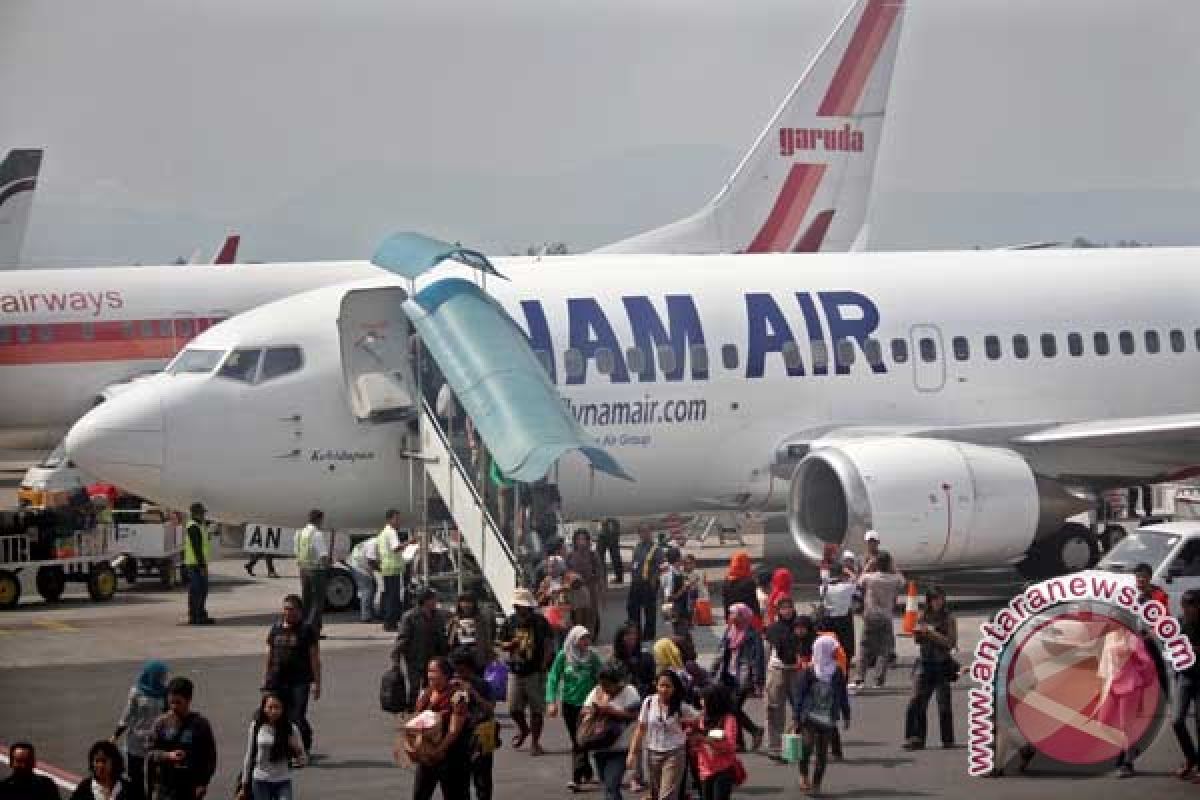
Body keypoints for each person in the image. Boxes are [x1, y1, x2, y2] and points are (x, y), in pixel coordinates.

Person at [1095, 625, 1158, 777]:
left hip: (1129, 685)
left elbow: (1147, 662)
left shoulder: (1133, 638)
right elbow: (1104, 662)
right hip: (1112, 685)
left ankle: (1127, 763)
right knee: (1102, 723)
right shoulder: (1109, 637)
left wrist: (1141, 677)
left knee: (1125, 726)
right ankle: (1128, 748)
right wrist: (1101, 685)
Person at [404, 658, 472, 800]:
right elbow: (417, 718)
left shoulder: (459, 695)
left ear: (445, 674)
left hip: (452, 756)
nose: (429, 675)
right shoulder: (426, 693)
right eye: (428, 670)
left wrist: (439, 750)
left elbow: (454, 730)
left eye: (434, 671)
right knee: (420, 794)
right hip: (428, 755)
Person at [792, 636, 851, 795]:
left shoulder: (837, 670)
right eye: (832, 649)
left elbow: (842, 694)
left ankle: (817, 784)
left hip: (828, 717)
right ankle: (804, 776)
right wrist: (796, 717)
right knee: (807, 747)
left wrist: (846, 714)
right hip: (809, 716)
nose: (834, 652)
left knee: (822, 753)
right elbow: (800, 695)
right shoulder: (809, 671)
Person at [547, 625, 604, 790]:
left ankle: (576, 778)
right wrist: (551, 701)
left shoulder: (592, 657)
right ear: (574, 639)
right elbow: (553, 678)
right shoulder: (563, 656)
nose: (586, 641)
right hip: (569, 704)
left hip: (587, 706)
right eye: (582, 638)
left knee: (580, 739)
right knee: (577, 739)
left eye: (587, 638)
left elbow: (602, 677)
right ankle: (587, 771)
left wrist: (603, 697)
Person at [264, 594, 321, 758]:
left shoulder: (307, 630)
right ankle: (285, 747)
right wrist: (266, 678)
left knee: (297, 715)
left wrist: (317, 684)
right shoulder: (276, 628)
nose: (287, 612)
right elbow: (269, 654)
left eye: (291, 609)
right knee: (279, 715)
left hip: (300, 681)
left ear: (299, 611)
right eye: (285, 609)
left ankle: (304, 747)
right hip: (277, 680)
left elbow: (315, 659)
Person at [499, 588, 555, 756]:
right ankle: (524, 729)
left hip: (535, 670)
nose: (518, 608)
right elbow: (501, 643)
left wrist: (545, 663)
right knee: (513, 708)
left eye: (521, 606)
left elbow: (548, 643)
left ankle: (535, 743)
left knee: (537, 710)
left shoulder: (540, 621)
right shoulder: (510, 622)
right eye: (516, 605)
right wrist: (510, 644)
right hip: (516, 670)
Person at [627, 670, 699, 800]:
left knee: (667, 796)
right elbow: (640, 729)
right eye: (661, 685)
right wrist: (632, 753)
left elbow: (699, 718)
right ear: (656, 685)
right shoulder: (648, 702)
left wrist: (691, 731)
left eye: (668, 686)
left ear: (674, 688)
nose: (664, 690)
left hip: (674, 753)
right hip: (652, 753)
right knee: (656, 794)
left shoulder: (681, 707)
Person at [903, 586, 957, 750]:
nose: (938, 602)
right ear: (929, 601)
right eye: (934, 599)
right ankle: (915, 737)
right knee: (916, 701)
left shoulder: (949, 618)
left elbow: (950, 643)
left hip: (942, 663)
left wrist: (932, 633)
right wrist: (919, 633)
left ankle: (947, 739)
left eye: (940, 599)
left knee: (943, 704)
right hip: (925, 662)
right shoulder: (922, 615)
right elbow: (917, 640)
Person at [147, 677, 217, 800]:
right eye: (171, 702)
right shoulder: (161, 723)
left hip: (190, 788)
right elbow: (149, 753)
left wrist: (203, 783)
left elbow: (210, 757)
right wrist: (167, 755)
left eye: (178, 702)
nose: (173, 706)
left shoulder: (200, 725)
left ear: (189, 700)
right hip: (165, 788)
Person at [583, 663, 642, 800]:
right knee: (607, 786)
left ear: (618, 682)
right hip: (599, 746)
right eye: (602, 684)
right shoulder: (598, 691)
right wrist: (594, 710)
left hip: (620, 748)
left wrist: (612, 711)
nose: (604, 688)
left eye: (608, 685)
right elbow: (584, 709)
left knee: (611, 785)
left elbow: (637, 715)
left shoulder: (630, 692)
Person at [111, 660, 168, 798]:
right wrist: (115, 735)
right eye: (162, 676)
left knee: (153, 778)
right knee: (135, 777)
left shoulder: (166, 693)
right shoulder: (137, 692)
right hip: (135, 741)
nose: (164, 678)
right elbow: (127, 715)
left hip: (155, 742)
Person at [713, 603, 764, 752]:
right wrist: (712, 672)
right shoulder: (729, 631)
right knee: (731, 709)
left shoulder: (752, 634)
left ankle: (754, 731)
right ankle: (740, 742)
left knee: (733, 708)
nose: (730, 617)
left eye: (733, 614)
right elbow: (720, 653)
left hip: (743, 677)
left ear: (742, 616)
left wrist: (757, 681)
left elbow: (757, 659)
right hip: (727, 674)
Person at [450, 650, 498, 800]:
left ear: (467, 668)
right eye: (454, 670)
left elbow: (490, 709)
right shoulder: (450, 684)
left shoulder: (482, 685)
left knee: (482, 779)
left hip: (480, 736)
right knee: (460, 781)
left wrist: (473, 693)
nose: (456, 674)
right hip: (459, 737)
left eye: (459, 670)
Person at [853, 551, 905, 691]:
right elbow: (902, 581)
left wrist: (869, 565)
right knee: (884, 649)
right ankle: (878, 679)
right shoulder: (893, 579)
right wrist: (894, 567)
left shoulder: (870, 578)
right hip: (885, 617)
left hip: (870, 616)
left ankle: (860, 677)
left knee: (864, 647)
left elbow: (859, 581)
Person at [237, 692, 304, 800]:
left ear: (283, 709)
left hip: (283, 780)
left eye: (277, 707)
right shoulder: (256, 726)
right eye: (270, 707)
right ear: (264, 708)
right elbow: (249, 756)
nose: (273, 711)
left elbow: (303, 760)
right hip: (260, 780)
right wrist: (244, 784)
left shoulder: (291, 729)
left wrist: (295, 748)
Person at [395, 587, 451, 711]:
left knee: (432, 686)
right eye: (433, 599)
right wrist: (396, 660)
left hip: (433, 659)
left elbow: (442, 635)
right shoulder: (410, 617)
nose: (436, 601)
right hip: (415, 658)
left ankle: (428, 709)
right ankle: (412, 711)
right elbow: (402, 638)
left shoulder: (438, 616)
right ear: (426, 600)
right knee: (415, 687)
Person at [763, 596, 802, 761]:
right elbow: (768, 651)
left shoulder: (801, 626)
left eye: (789, 607)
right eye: (783, 608)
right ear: (778, 611)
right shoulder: (773, 629)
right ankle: (775, 747)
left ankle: (797, 742)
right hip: (777, 670)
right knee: (774, 709)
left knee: (800, 708)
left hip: (797, 671)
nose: (787, 611)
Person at [693, 685, 740, 800]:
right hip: (705, 770)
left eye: (704, 699)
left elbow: (730, 745)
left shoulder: (728, 719)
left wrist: (705, 740)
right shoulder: (701, 718)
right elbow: (697, 743)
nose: (701, 702)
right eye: (700, 699)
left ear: (713, 701)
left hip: (723, 770)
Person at [1174, 589, 1200, 780]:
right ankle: (1191, 758)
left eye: (1190, 605)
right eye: (1184, 605)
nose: (1186, 610)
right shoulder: (1180, 622)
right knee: (1177, 721)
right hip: (1185, 676)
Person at [293, 509, 331, 636]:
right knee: (318, 602)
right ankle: (312, 631)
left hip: (303, 570)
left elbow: (296, 551)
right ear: (319, 520)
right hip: (316, 570)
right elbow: (324, 555)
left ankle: (303, 628)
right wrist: (328, 567)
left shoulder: (300, 533)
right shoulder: (316, 534)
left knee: (306, 600)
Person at [69, 740, 144, 800]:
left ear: (114, 763)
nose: (100, 765)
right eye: (97, 761)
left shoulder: (130, 789)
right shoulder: (84, 788)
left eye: (104, 761)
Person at [628, 526, 666, 642]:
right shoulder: (637, 547)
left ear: (650, 533)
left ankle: (649, 634)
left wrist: (655, 579)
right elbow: (635, 563)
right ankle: (636, 632)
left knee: (649, 610)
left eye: (647, 532)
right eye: (642, 532)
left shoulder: (656, 549)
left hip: (649, 584)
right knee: (632, 608)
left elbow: (662, 566)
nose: (645, 534)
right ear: (639, 534)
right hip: (636, 583)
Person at [566, 528, 605, 639]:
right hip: (576, 592)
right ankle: (578, 638)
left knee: (590, 617)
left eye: (584, 539)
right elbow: (566, 573)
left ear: (588, 541)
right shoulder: (570, 556)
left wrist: (602, 593)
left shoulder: (593, 555)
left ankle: (589, 639)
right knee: (578, 618)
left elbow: (600, 574)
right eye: (579, 539)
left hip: (590, 590)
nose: (581, 541)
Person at [819, 563, 856, 668]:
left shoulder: (823, 588)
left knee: (829, 647)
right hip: (843, 620)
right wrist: (848, 571)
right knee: (845, 648)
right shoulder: (846, 587)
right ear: (842, 574)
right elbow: (855, 580)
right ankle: (844, 669)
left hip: (828, 620)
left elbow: (824, 579)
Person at [183, 502, 214, 625]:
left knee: (201, 590)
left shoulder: (198, 525)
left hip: (197, 563)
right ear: (197, 513)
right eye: (202, 513)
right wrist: (202, 566)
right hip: (195, 564)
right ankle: (196, 616)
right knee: (198, 591)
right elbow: (197, 548)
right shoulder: (193, 527)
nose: (204, 515)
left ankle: (200, 614)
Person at [448, 591, 495, 673]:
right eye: (463, 602)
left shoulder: (481, 619)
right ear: (459, 604)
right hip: (460, 658)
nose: (466, 605)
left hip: (477, 657)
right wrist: (454, 626)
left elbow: (487, 639)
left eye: (469, 602)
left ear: (474, 604)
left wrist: (489, 655)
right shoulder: (455, 619)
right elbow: (450, 642)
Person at [378, 510, 408, 632]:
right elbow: (396, 548)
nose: (399, 521)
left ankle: (389, 622)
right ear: (390, 520)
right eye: (397, 519)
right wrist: (409, 543)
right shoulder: (391, 532)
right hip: (393, 568)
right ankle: (390, 623)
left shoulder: (383, 533)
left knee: (389, 596)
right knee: (393, 597)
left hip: (386, 567)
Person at [347, 534, 380, 623]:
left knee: (373, 586)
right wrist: (381, 570)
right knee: (367, 589)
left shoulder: (373, 541)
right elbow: (371, 561)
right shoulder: (374, 543)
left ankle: (370, 611)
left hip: (359, 564)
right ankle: (366, 616)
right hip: (358, 566)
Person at [720, 552, 760, 626]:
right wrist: (758, 616)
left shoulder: (727, 581)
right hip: (748, 619)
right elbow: (754, 602)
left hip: (733, 617)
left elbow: (725, 601)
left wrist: (727, 617)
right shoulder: (749, 582)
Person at [662, 547, 693, 637]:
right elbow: (668, 598)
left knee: (684, 637)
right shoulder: (670, 574)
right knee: (679, 638)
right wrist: (683, 588)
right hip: (675, 612)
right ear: (677, 559)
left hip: (681, 610)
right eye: (680, 557)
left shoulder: (678, 572)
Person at [597, 518, 625, 584]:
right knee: (601, 556)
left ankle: (617, 578)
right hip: (607, 528)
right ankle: (616, 578)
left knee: (603, 555)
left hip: (610, 527)